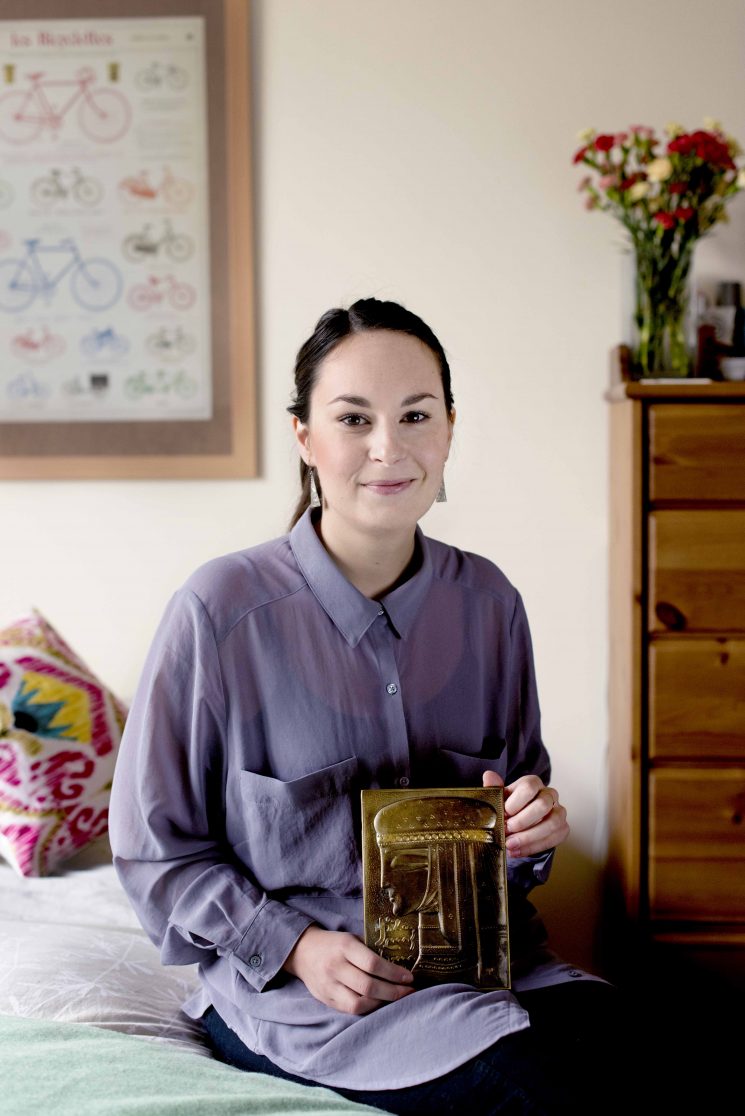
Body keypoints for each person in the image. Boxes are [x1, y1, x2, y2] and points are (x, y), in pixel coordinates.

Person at [109, 298, 621, 1115]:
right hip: (305, 1002)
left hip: (491, 969)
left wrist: (529, 827)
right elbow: (155, 857)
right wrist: (297, 948)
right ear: (305, 438)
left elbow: (516, 829)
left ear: (448, 429)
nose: (388, 448)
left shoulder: (489, 603)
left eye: (415, 415)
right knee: (541, 1096)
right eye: (353, 419)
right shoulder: (218, 611)